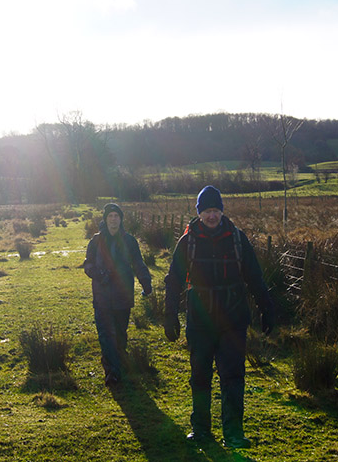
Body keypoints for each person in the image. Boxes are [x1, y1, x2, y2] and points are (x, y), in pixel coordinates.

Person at [164, 185, 274, 449]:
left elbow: (255, 277)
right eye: (207, 211)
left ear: (222, 211)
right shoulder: (188, 241)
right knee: (200, 376)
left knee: (233, 377)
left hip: (233, 321)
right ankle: (201, 430)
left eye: (215, 210)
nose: (212, 216)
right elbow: (173, 280)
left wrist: (266, 309)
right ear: (199, 213)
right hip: (200, 322)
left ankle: (234, 434)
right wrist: (170, 315)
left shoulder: (238, 239)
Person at [84, 203, 153, 387]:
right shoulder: (96, 241)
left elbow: (138, 263)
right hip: (102, 297)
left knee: (120, 334)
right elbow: (87, 265)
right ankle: (112, 374)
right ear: (105, 220)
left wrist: (146, 282)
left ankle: (119, 362)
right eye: (110, 216)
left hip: (123, 296)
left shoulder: (129, 241)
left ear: (121, 220)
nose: (113, 219)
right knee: (106, 335)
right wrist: (97, 273)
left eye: (116, 216)